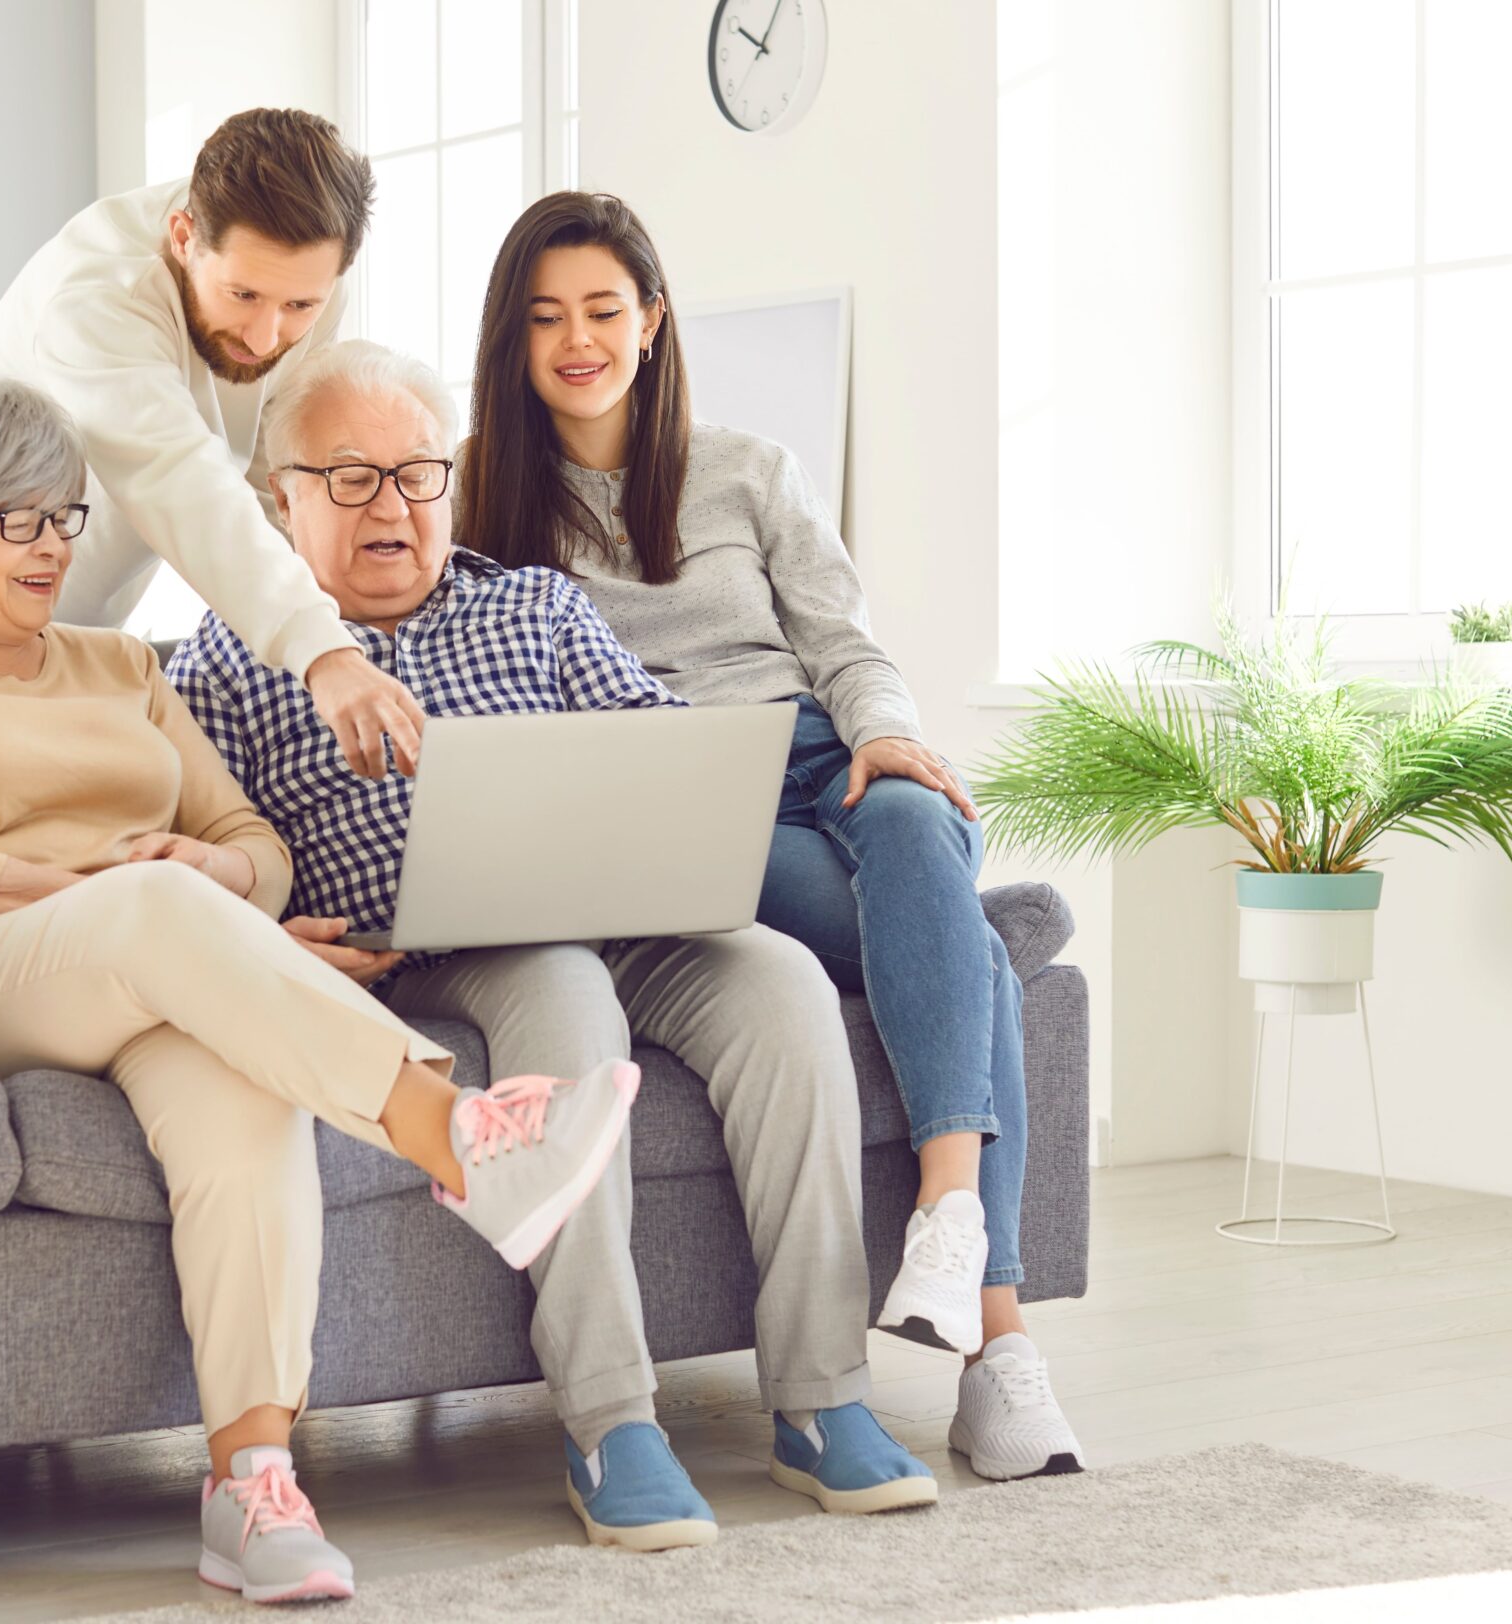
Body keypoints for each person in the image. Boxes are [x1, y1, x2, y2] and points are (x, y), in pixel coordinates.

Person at [0, 377, 637, 1604]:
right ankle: (461, 1136)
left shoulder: (119, 663)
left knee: (247, 1098)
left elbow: (253, 848)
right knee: (156, 909)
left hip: (138, 965)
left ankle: (253, 1485)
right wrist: (104, 887)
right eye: (11, 519)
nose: (54, 545)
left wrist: (215, 866)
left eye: (63, 514)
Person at [170, 340, 941, 1551]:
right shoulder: (228, 656)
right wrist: (270, 938)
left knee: (785, 983)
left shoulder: (533, 603)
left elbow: (667, 747)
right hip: (430, 952)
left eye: (418, 475)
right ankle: (609, 1420)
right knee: (562, 992)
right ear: (283, 497)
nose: (394, 508)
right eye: (353, 478)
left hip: (628, 908)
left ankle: (820, 1396)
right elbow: (197, 855)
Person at [457, 192, 1087, 1483]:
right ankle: (999, 1350)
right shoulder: (480, 496)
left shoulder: (748, 470)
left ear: (652, 320)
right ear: (511, 341)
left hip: (815, 750)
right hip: (690, 800)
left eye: (603, 309)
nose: (578, 339)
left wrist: (886, 732)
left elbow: (843, 643)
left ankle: (953, 1221)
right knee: (967, 957)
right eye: (545, 318)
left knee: (919, 814)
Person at [0, 107, 428, 782]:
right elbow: (182, 478)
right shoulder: (98, 300)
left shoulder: (301, 280)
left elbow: (269, 475)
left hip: (81, 640)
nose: (265, 336)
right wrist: (323, 653)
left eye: (300, 306)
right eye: (242, 294)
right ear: (183, 237)